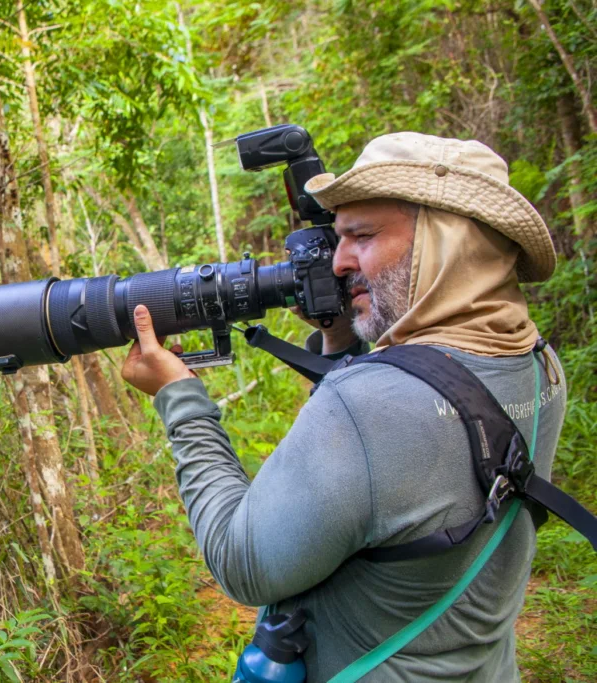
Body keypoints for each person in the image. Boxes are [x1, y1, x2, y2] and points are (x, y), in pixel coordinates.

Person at [120, 132, 565, 681]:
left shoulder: (368, 408)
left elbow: (244, 564)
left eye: (362, 236)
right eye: (338, 238)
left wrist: (178, 396)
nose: (338, 262)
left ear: (446, 243)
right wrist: (340, 339)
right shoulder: (538, 363)